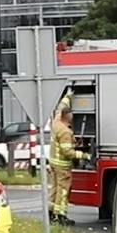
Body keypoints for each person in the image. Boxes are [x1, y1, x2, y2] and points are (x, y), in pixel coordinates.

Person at [48, 95, 76, 226]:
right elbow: (68, 152)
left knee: (54, 189)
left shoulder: (55, 123)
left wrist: (68, 96)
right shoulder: (65, 132)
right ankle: (61, 216)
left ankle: (51, 213)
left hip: (53, 163)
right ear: (68, 117)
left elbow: (60, 108)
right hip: (63, 167)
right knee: (63, 191)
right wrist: (84, 155)